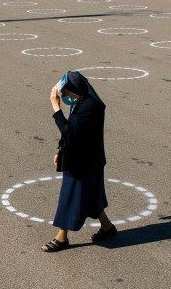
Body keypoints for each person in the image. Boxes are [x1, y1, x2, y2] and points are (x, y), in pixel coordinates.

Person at [42, 71, 116, 252]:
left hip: (83, 163)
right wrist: (61, 151)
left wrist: (56, 108)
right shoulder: (81, 102)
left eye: (66, 93)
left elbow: (70, 132)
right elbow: (70, 134)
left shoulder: (90, 108)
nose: (65, 97)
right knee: (91, 196)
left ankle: (62, 237)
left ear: (76, 91)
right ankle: (107, 228)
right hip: (88, 160)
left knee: (69, 197)